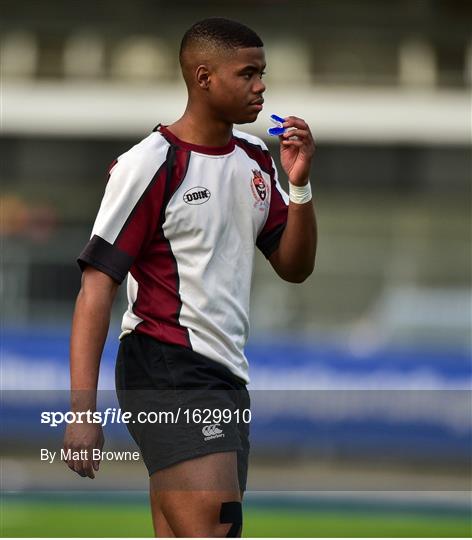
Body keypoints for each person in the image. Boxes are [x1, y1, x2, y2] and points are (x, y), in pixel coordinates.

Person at [63, 17, 316, 537]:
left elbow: (295, 268)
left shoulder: (255, 159)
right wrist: (82, 411)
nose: (261, 86)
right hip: (167, 365)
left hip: (225, 375)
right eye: (248, 73)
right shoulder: (150, 163)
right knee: (217, 527)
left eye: (262, 73)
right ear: (204, 78)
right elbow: (95, 288)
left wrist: (300, 186)